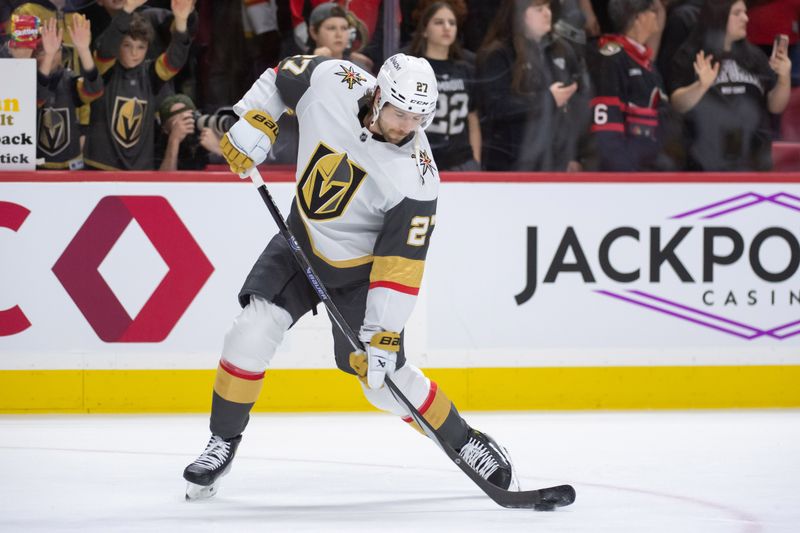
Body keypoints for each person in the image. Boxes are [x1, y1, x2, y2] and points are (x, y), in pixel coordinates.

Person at [182, 52, 517, 499]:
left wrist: (384, 335)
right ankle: (222, 441)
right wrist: (254, 120)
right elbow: (280, 76)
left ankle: (465, 441)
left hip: (361, 276)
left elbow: (401, 267)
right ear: (378, 95)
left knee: (381, 384)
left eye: (418, 117)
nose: (405, 126)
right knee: (251, 331)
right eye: (399, 112)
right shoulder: (332, 80)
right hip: (300, 242)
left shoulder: (417, 179)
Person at [668, 0, 792, 170]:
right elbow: (677, 104)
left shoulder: (754, 57)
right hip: (706, 160)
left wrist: (784, 78)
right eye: (737, 13)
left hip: (753, 159)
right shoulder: (692, 53)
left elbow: (775, 106)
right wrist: (700, 86)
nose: (746, 18)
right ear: (718, 15)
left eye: (745, 12)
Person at [82, 0, 195, 171]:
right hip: (99, 168)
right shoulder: (104, 70)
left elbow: (175, 59)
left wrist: (180, 21)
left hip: (139, 172)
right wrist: (127, 9)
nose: (134, 53)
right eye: (127, 45)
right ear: (118, 45)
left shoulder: (151, 73)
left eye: (141, 47)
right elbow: (107, 45)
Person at [477, 0, 586, 171]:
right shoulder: (499, 54)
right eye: (538, 9)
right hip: (511, 163)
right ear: (519, 14)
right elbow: (496, 107)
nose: (547, 13)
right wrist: (547, 100)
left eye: (548, 7)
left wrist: (574, 154)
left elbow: (576, 108)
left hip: (553, 160)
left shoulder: (559, 50)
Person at [588, 0, 669, 171]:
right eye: (652, 10)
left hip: (650, 170)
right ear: (638, 17)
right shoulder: (611, 58)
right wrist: (624, 175)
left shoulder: (646, 62)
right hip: (626, 175)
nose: (658, 15)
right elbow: (606, 129)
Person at [407, 1, 481, 171]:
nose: (447, 27)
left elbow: (473, 118)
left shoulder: (466, 69)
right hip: (421, 158)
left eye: (452, 23)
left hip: (461, 160)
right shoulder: (413, 69)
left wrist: (475, 159)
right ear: (425, 30)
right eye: (439, 22)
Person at [36, 14, 104, 170]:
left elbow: (94, 91)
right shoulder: (25, 83)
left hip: (69, 168)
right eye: (43, 50)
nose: (52, 54)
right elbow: (39, 96)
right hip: (35, 169)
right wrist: (49, 56)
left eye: (56, 48)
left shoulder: (69, 79)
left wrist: (83, 50)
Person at [306, 2, 373, 71]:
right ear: (314, 32)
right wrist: (316, 62)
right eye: (331, 28)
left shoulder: (359, 69)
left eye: (344, 28)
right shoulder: (303, 69)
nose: (339, 34)